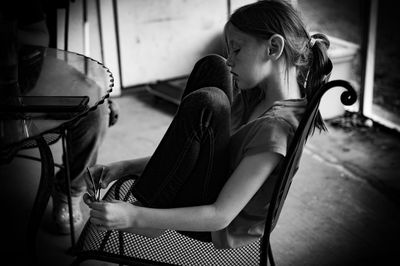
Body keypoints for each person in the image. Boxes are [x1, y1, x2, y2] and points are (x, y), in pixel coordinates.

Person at [84, 0, 332, 249]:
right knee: (213, 66)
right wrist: (123, 167)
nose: (230, 60)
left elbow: (221, 215)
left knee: (208, 103)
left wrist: (134, 216)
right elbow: (193, 152)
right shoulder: (256, 95)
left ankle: (150, 212)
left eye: (236, 50)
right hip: (214, 182)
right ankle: (153, 205)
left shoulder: (275, 129)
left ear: (273, 47)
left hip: (220, 222)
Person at [0, 0, 111, 234]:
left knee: (95, 109)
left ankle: (68, 191)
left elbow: (40, 34)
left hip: (29, 76)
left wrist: (10, 34)